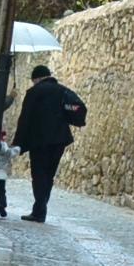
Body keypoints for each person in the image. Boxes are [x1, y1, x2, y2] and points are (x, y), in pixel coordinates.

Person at [11, 64, 86, 223]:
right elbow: (78, 108)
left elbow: (25, 119)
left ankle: (39, 210)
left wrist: (18, 143)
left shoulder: (34, 92)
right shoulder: (62, 90)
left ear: (36, 78)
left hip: (38, 140)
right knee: (49, 175)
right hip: (59, 139)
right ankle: (41, 206)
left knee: (38, 174)